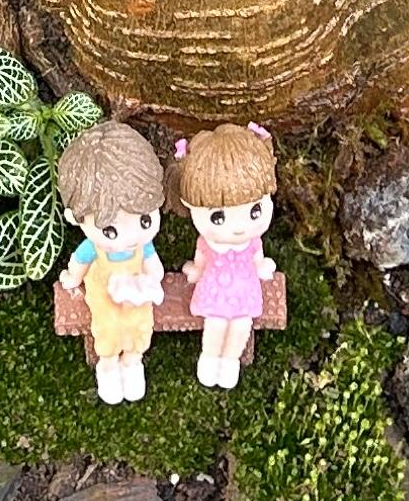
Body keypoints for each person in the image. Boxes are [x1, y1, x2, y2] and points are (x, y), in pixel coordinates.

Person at [55, 119, 168, 404]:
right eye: (111, 230)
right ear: (76, 219)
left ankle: (133, 362)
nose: (130, 237)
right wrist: (73, 276)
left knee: (140, 327)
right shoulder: (94, 249)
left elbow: (153, 265)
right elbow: (79, 262)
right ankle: (107, 366)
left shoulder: (143, 247)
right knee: (107, 329)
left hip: (138, 299)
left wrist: (152, 277)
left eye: (145, 220)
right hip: (105, 294)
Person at [177, 122, 278, 389]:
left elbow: (258, 260)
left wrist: (263, 266)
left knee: (241, 327)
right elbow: (199, 263)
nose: (238, 226)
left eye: (254, 211)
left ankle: (231, 360)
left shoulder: (253, 242)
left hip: (245, 291)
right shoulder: (207, 243)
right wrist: (194, 272)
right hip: (215, 290)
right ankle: (210, 358)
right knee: (216, 325)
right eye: (218, 217)